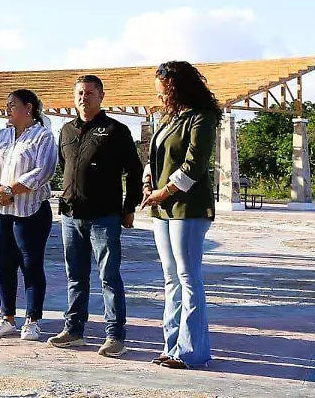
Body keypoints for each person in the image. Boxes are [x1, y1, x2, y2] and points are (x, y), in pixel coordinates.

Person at [49, 75, 144, 357]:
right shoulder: (65, 131)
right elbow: (64, 166)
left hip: (105, 216)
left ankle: (115, 335)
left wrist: (129, 208)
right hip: (70, 216)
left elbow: (135, 172)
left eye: (90, 92)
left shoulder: (116, 130)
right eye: (79, 93)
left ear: (101, 96)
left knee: (109, 277)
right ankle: (74, 330)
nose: (83, 97)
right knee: (75, 276)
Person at [140, 61, 220, 369]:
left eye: (163, 90)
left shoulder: (202, 118)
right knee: (170, 279)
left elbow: (193, 165)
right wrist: (148, 181)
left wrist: (164, 192)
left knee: (188, 278)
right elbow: (155, 157)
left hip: (188, 208)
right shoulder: (168, 118)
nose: (159, 95)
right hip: (162, 209)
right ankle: (171, 346)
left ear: (177, 87)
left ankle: (191, 352)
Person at [0, 90, 58, 341]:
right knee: (4, 265)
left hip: (30, 211)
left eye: (12, 105)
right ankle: (7, 317)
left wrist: (12, 190)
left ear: (29, 108)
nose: (7, 110)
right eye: (6, 105)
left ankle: (32, 320)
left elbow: (43, 171)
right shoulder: (1, 135)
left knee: (31, 265)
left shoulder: (43, 136)